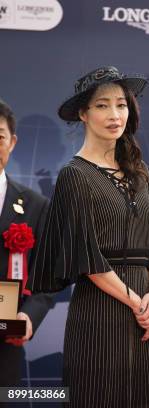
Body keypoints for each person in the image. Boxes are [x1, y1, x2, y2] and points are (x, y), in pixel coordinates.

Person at [28, 66, 149, 407]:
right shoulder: (73, 175)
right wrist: (140, 304)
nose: (114, 114)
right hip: (100, 312)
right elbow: (87, 257)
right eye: (102, 105)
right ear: (83, 114)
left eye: (121, 105)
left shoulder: (140, 171)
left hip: (145, 314)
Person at [0, 99, 53, 387]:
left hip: (6, 343)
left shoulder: (35, 206)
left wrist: (28, 316)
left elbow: (46, 279)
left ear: (13, 141)